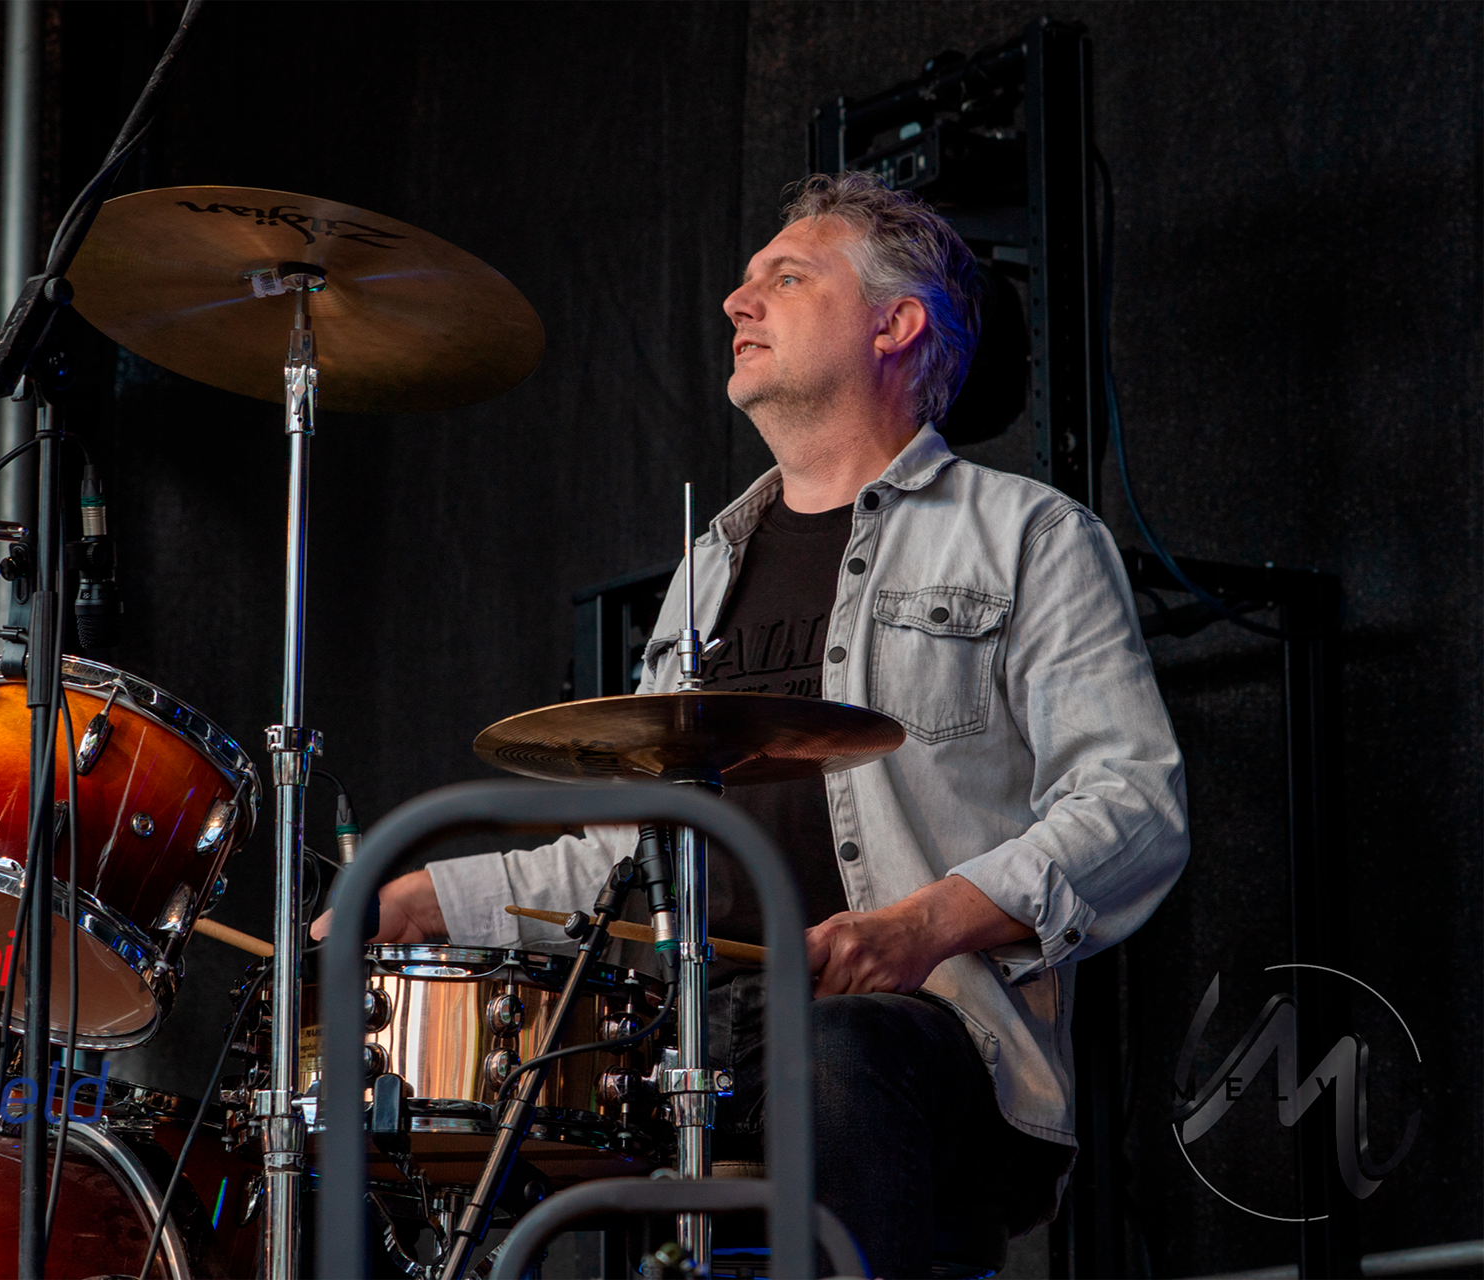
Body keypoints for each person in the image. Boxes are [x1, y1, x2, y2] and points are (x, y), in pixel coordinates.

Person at [313, 170, 1189, 1279]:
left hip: (928, 1039)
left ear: (894, 324)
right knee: (380, 1086)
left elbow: (1134, 804)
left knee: (835, 1050)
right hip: (692, 1037)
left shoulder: (1029, 537)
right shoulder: (706, 573)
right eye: (742, 281)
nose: (738, 300)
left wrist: (918, 928)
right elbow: (631, 860)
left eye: (787, 276)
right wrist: (418, 898)